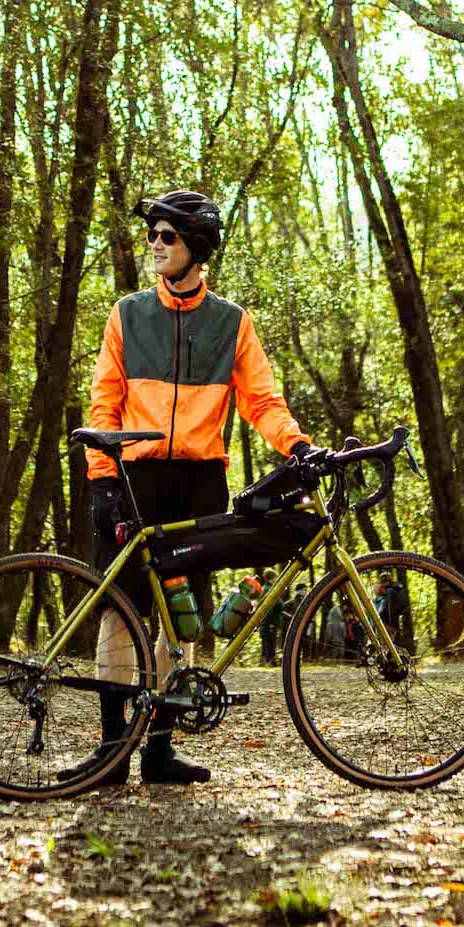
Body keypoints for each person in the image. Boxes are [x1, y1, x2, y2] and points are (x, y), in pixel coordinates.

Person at [70, 190, 320, 787]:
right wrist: (102, 478)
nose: (155, 245)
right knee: (118, 611)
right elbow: (104, 401)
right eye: (153, 235)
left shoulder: (232, 322)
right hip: (134, 476)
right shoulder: (127, 314)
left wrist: (298, 446)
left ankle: (157, 752)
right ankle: (110, 752)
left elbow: (262, 400)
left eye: (167, 237)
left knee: (177, 619)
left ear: (197, 249)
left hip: (199, 479)